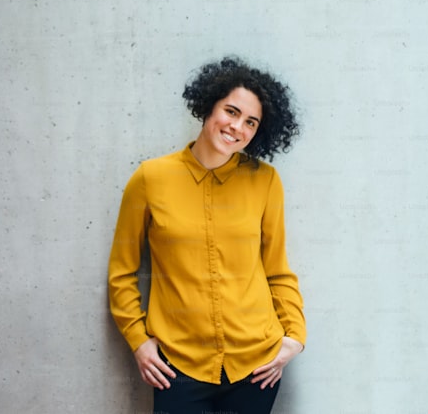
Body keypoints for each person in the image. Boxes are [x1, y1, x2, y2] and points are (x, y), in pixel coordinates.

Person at [107, 57, 307, 413]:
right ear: (208, 106)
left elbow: (277, 270)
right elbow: (122, 273)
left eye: (250, 122)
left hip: (257, 365)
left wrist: (294, 337)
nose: (237, 127)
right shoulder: (150, 179)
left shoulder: (266, 181)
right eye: (231, 111)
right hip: (177, 367)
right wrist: (138, 341)